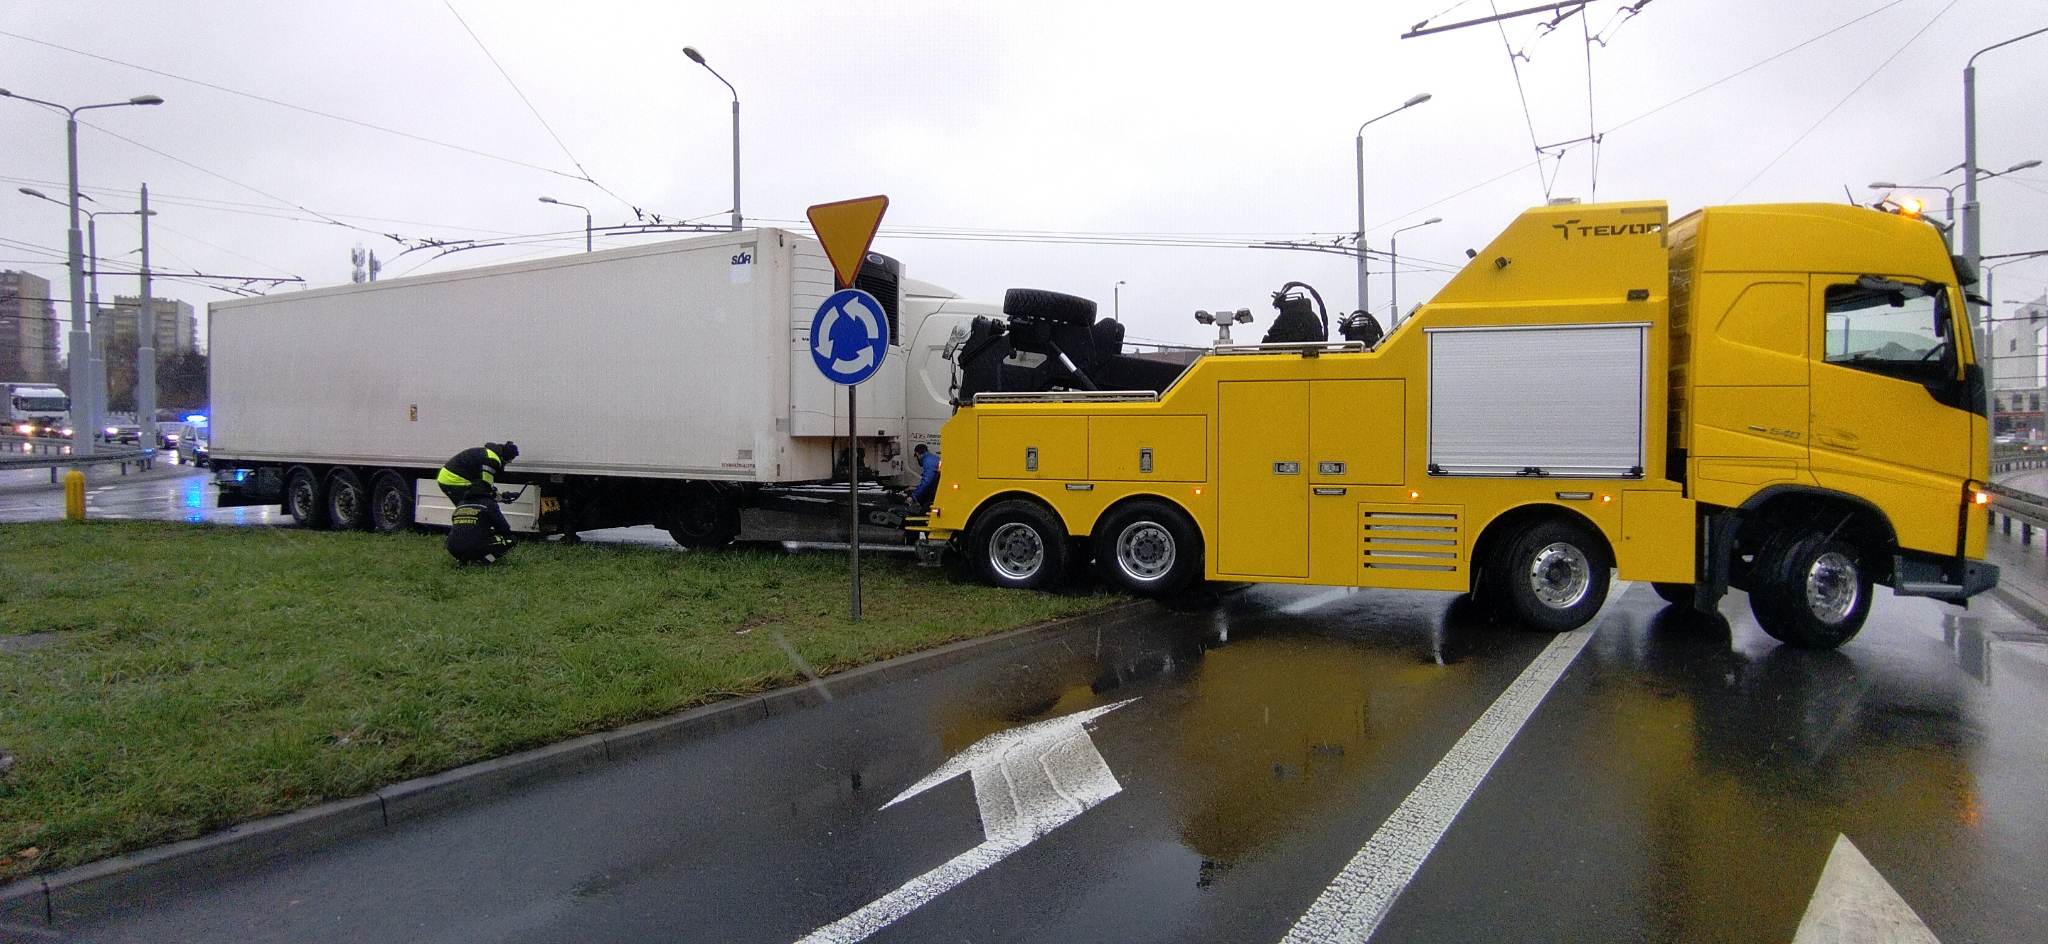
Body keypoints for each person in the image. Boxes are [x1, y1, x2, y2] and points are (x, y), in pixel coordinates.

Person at [447, 486, 516, 565]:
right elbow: (504, 528)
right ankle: (485, 561)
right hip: (475, 546)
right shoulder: (489, 504)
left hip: (452, 546)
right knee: (511, 540)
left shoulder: (460, 504)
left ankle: (463, 560)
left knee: (467, 538)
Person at [437, 440, 518, 506]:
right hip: (452, 481)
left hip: (453, 476)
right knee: (468, 509)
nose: (510, 462)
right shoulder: (492, 460)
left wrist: (497, 495)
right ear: (506, 457)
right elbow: (485, 486)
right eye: (510, 459)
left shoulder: (490, 453)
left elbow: (486, 484)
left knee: (477, 503)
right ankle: (466, 525)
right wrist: (499, 497)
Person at [907, 442, 941, 509]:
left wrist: (913, 496)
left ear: (917, 454)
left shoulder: (928, 462)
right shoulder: (933, 458)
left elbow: (927, 482)